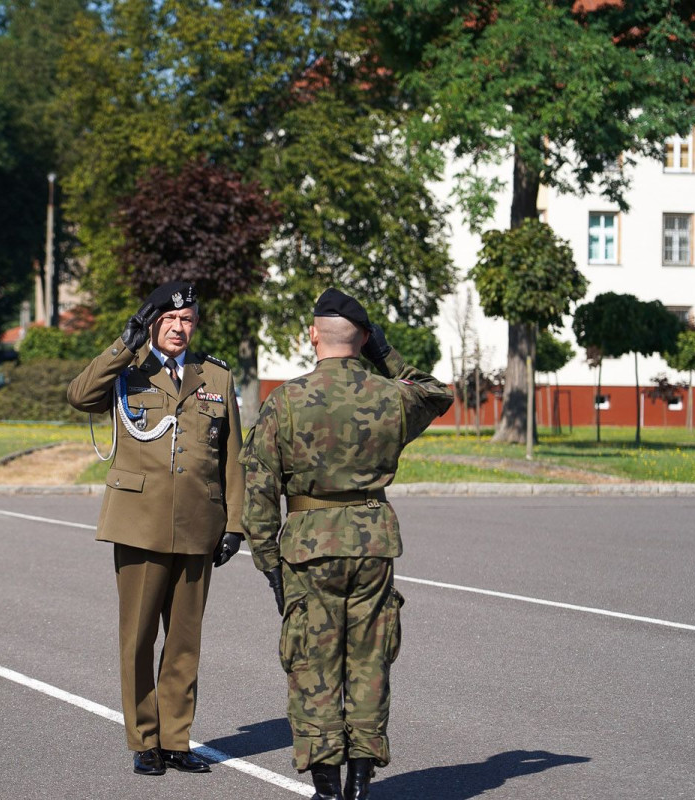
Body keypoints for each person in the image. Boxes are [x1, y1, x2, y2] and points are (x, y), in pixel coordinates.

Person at [240, 288, 453, 800]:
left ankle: (328, 786)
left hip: (309, 547)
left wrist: (269, 561)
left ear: (313, 335)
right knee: (369, 658)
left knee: (313, 660)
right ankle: (361, 777)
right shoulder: (390, 395)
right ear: (362, 339)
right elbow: (436, 392)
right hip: (374, 542)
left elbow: (258, 484)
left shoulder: (287, 399)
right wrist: (384, 353)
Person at [67, 280, 245, 777]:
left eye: (187, 320)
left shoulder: (215, 376)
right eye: (169, 320)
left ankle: (176, 738)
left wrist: (235, 523)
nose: (179, 328)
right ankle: (144, 739)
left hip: (198, 524)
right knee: (139, 637)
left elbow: (231, 455)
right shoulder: (127, 371)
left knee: (185, 641)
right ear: (153, 324)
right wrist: (126, 342)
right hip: (139, 524)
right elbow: (80, 396)